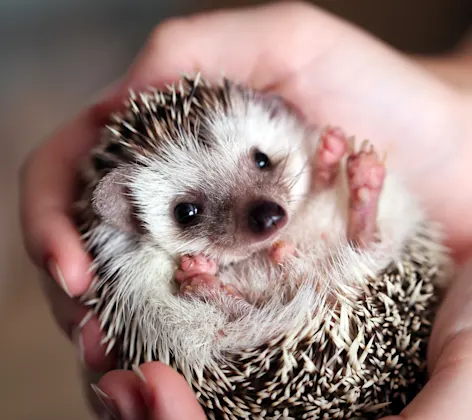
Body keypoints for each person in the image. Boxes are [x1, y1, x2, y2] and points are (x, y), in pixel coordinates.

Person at [19, 2, 472, 419]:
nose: (262, 211)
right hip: (274, 312)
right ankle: (352, 224)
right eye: (190, 212)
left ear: (272, 111)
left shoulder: (295, 137)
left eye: (260, 162)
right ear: (131, 216)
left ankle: (236, 290)